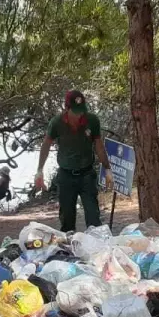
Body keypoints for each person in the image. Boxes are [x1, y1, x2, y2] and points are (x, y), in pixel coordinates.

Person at [34, 90, 113, 232]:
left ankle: (97, 249)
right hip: (66, 176)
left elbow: (99, 146)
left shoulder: (92, 120)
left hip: (87, 174)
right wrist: (39, 171)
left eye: (81, 111)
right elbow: (46, 145)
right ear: (67, 108)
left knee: (93, 217)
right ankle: (69, 250)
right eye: (75, 111)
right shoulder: (56, 122)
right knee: (67, 220)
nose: (79, 115)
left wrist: (107, 169)